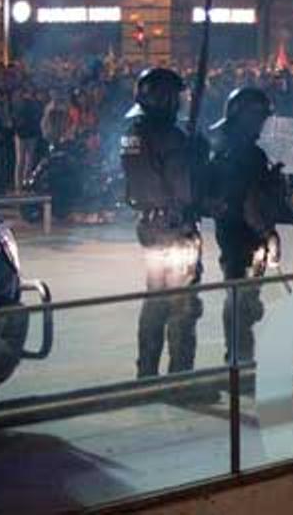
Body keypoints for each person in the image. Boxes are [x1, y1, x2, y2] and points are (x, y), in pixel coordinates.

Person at [120, 68, 205, 378]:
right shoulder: (157, 135)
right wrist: (192, 157)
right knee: (181, 306)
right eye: (176, 95)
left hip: (159, 226)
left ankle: (149, 375)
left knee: (158, 301)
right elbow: (174, 187)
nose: (181, 102)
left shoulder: (144, 132)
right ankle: (179, 379)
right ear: (164, 97)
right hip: (171, 226)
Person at [205, 87, 292, 365]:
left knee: (239, 296)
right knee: (244, 301)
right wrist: (268, 234)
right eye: (259, 119)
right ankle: (240, 365)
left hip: (228, 230)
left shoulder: (220, 143)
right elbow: (249, 199)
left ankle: (237, 359)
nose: (262, 125)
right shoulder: (247, 154)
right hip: (245, 233)